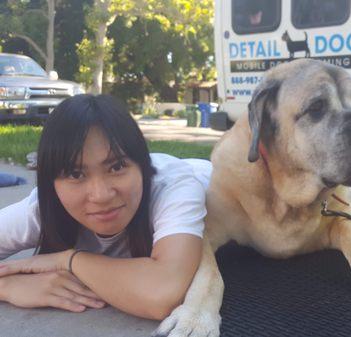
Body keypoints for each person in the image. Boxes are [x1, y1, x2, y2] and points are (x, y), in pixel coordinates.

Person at [0, 94, 211, 320]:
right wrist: (8, 286)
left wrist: (68, 260)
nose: (101, 196)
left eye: (117, 166)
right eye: (75, 174)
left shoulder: (175, 187)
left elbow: (164, 293)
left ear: (142, 164)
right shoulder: (42, 209)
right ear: (51, 181)